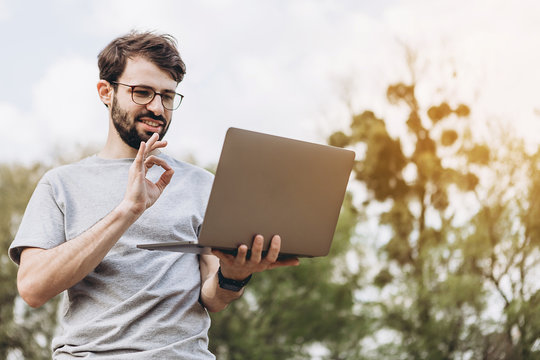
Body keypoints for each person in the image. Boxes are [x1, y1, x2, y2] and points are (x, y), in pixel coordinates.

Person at [8, 31, 299, 359]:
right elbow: (33, 288)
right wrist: (128, 210)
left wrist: (234, 275)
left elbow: (213, 298)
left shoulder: (202, 184)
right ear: (106, 91)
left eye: (167, 96)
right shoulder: (60, 184)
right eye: (142, 92)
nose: (157, 108)